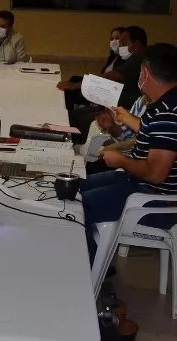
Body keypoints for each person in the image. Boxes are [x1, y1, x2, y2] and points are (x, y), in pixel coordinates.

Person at [80, 43, 177, 263]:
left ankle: (90, 272)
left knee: (78, 207)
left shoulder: (168, 114)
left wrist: (120, 160)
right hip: (141, 185)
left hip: (156, 201)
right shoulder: (167, 102)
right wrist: (124, 118)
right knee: (77, 186)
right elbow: (156, 135)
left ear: (145, 73)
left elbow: (155, 174)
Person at [60, 26, 148, 143]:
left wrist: (76, 85)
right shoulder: (125, 58)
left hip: (121, 110)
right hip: (114, 107)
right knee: (76, 114)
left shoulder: (139, 60)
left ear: (136, 44)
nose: (120, 46)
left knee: (82, 119)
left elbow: (111, 76)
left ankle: (76, 143)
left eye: (124, 43)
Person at [62, 27, 126, 110]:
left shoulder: (124, 60)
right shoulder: (113, 57)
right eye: (111, 39)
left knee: (73, 90)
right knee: (74, 79)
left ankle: (71, 110)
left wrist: (83, 84)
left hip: (107, 90)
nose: (114, 41)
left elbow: (108, 78)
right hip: (101, 84)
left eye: (117, 38)